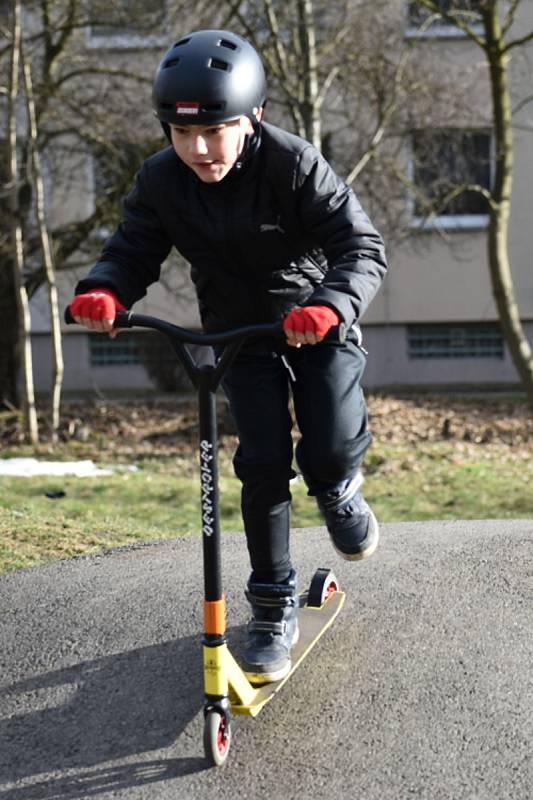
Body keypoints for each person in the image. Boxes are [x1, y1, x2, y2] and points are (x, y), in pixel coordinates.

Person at [68, 29, 388, 686]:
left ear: (253, 119)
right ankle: (271, 607)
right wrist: (103, 289)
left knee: (324, 445)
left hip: (313, 323)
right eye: (182, 135)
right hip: (235, 336)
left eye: (215, 131)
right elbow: (132, 248)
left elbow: (361, 248)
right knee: (262, 462)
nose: (198, 149)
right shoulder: (162, 179)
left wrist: (327, 306)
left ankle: (338, 489)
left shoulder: (293, 166)